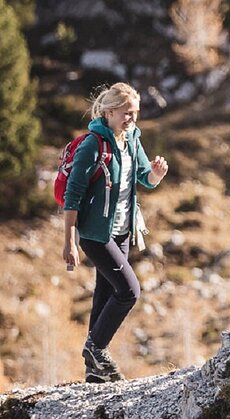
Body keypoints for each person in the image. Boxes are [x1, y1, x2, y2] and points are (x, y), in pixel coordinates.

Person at [62, 83, 170, 383]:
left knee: (104, 294)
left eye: (134, 114)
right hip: (96, 235)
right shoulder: (93, 145)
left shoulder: (132, 140)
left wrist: (155, 175)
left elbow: (143, 178)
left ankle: (93, 375)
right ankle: (95, 348)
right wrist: (69, 240)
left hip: (123, 230)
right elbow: (73, 195)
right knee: (129, 291)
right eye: (126, 114)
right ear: (109, 112)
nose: (131, 120)